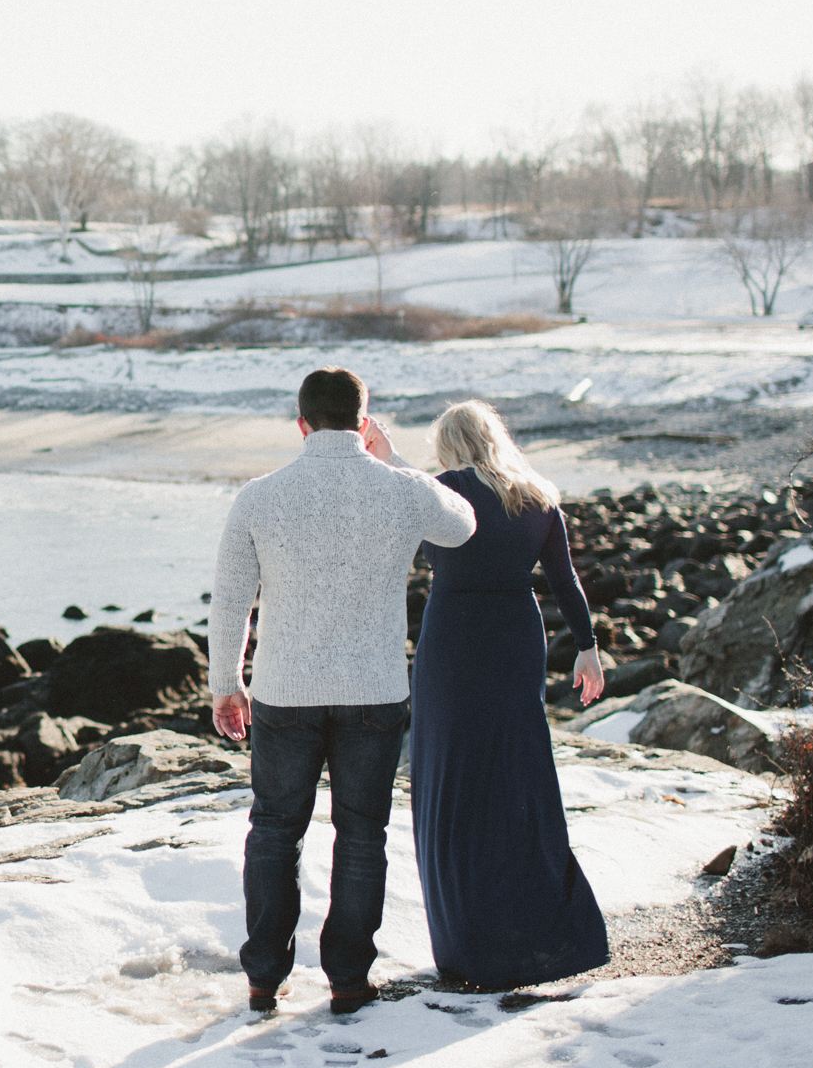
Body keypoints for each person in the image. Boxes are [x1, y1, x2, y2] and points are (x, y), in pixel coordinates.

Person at [211, 367, 478, 1016]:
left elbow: (231, 601)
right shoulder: (400, 489)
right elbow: (463, 524)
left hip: (285, 690)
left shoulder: (259, 496)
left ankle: (264, 977)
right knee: (362, 834)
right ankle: (349, 979)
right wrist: (399, 460)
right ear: (364, 421)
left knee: (274, 830)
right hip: (374, 691)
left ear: (301, 424)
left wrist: (227, 683)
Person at [410, 400, 611, 988]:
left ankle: (468, 938)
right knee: (516, 770)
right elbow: (565, 580)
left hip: (454, 637)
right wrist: (588, 647)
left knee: (454, 775)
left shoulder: (439, 490)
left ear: (449, 443)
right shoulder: (537, 496)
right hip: (517, 636)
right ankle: (541, 928)